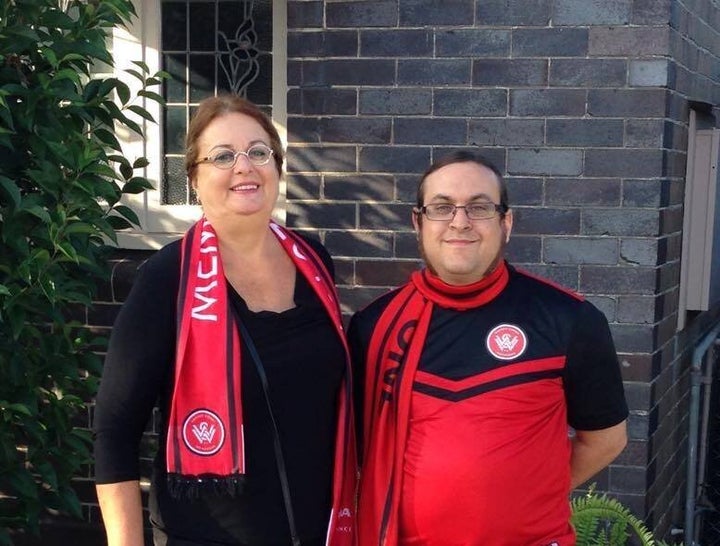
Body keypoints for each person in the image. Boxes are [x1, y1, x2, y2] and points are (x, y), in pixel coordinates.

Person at [94, 95, 356, 546]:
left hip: (323, 532)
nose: (245, 167)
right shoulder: (165, 279)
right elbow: (115, 432)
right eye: (222, 156)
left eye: (258, 152)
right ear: (194, 177)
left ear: (276, 166)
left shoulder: (315, 263)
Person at [349, 151, 628, 546]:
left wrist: (527, 491)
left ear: (506, 222)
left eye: (479, 207)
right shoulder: (375, 326)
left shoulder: (569, 319)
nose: (459, 222)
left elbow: (605, 440)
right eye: (442, 207)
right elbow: (359, 450)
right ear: (418, 221)